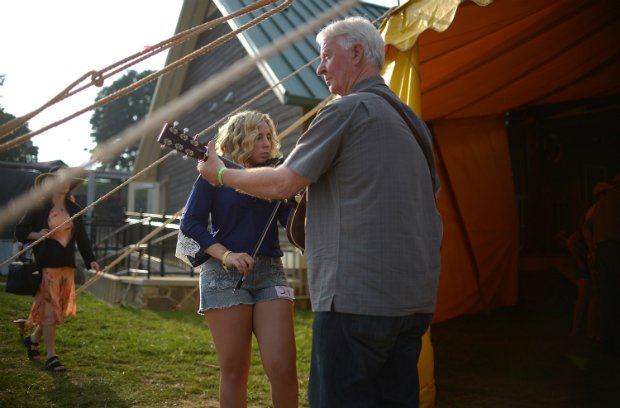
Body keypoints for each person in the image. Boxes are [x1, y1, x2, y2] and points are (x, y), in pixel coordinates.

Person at [197, 17, 442, 408]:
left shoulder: (344, 109)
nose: (319, 67)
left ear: (358, 53)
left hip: (355, 302)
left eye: (327, 56)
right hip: (415, 303)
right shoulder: (415, 124)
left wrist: (221, 173)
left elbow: (282, 184)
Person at [178, 111, 298, 407]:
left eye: (269, 136)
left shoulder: (274, 176)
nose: (267, 142)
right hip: (222, 274)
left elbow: (292, 225)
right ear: (239, 139)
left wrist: (301, 197)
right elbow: (190, 223)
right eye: (258, 136)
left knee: (283, 367)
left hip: (270, 270)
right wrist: (226, 254)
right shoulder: (213, 173)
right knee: (235, 371)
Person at [15, 166, 100, 372]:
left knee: (53, 310)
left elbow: (82, 238)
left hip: (66, 266)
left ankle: (32, 340)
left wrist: (91, 260)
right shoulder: (39, 207)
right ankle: (52, 357)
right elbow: (20, 231)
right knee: (50, 312)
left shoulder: (74, 209)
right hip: (47, 266)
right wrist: (38, 234)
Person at [585, 174, 620, 357]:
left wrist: (592, 249)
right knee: (611, 296)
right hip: (613, 248)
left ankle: (606, 341)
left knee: (606, 297)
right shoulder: (615, 198)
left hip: (602, 251)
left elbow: (586, 228)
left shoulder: (597, 208)